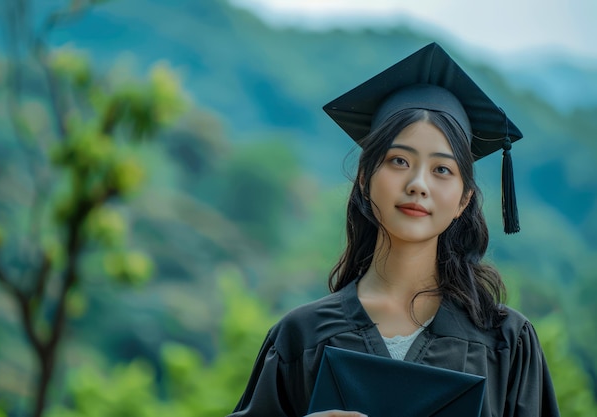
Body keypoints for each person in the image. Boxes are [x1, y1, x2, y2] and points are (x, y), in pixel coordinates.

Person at [229, 43, 560, 417]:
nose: (418, 184)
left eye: (442, 169)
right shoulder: (300, 337)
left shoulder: (506, 343)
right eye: (399, 160)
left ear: (464, 199)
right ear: (366, 179)